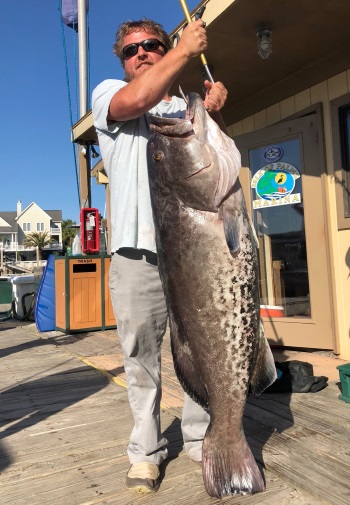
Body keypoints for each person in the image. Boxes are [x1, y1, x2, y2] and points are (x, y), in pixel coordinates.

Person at [92, 18, 228, 494]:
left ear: (164, 46)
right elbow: (138, 99)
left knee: (200, 346)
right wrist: (183, 53)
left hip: (193, 248)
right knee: (140, 355)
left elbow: (216, 166)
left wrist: (213, 111)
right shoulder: (110, 92)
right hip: (136, 251)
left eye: (153, 45)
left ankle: (200, 437)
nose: (143, 54)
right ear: (123, 60)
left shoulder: (185, 107)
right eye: (133, 50)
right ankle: (145, 451)